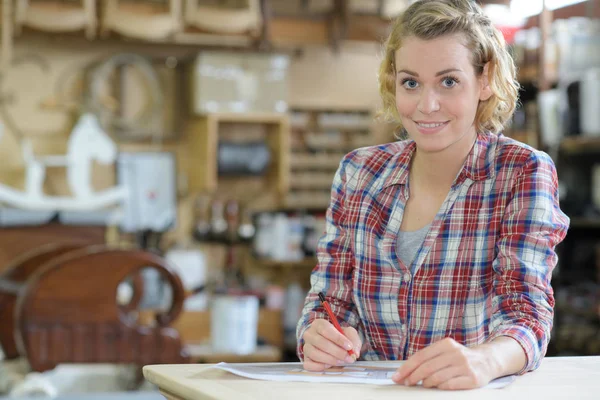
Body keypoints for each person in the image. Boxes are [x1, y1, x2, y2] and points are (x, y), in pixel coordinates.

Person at [296, 0, 570, 391]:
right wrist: (323, 336)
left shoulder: (521, 172)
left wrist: (487, 359)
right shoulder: (359, 173)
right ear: (393, 81)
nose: (427, 105)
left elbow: (526, 313)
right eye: (411, 82)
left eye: (449, 81)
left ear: (486, 78)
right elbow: (328, 300)